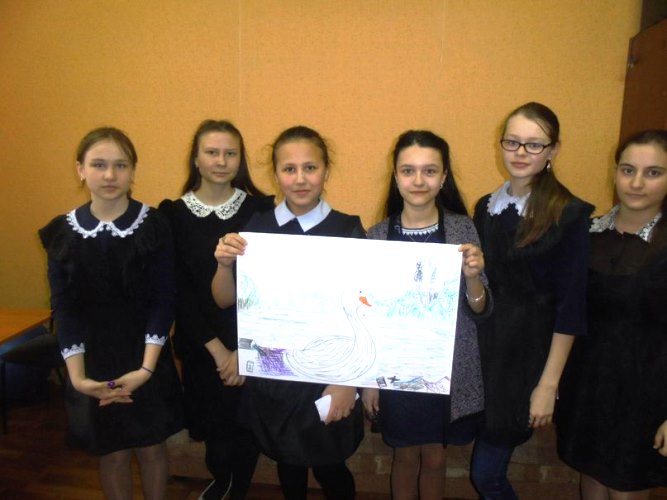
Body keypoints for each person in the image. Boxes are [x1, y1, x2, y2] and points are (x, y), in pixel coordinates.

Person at [211, 125, 365, 499]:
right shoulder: (257, 229)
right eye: (289, 169)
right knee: (288, 461)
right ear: (276, 173)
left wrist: (348, 382)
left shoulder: (348, 229)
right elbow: (226, 300)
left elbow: (363, 314)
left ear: (326, 170)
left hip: (329, 374)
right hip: (276, 377)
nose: (300, 179)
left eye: (310, 168)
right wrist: (223, 265)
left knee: (331, 465)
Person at [39, 127, 183, 500]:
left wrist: (145, 370)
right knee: (112, 453)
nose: (109, 175)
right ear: (80, 170)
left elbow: (164, 299)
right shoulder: (62, 233)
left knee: (152, 449)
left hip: (146, 355)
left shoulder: (155, 224)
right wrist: (79, 379)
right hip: (93, 361)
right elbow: (65, 308)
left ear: (133, 171)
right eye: (98, 164)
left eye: (120, 165)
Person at [470, 102, 594, 498]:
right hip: (487, 348)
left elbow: (571, 307)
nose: (521, 153)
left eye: (534, 144)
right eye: (513, 142)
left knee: (486, 474)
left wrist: (548, 384)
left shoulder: (569, 214)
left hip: (528, 354)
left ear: (553, 150)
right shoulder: (486, 207)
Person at [361, 130, 490, 500]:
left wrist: (473, 277)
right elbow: (367, 314)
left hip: (446, 369)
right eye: (408, 171)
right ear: (396, 176)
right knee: (403, 456)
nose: (418, 180)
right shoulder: (377, 236)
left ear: (444, 177)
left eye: (429, 171)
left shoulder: (462, 228)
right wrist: (369, 381)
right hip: (395, 371)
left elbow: (480, 308)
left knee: (435, 457)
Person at [158, 120, 274, 500]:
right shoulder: (172, 214)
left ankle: (236, 488)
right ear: (196, 158)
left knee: (247, 428)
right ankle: (223, 480)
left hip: (252, 341)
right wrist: (219, 350)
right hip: (201, 343)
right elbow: (178, 291)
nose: (221, 161)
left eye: (230, 153)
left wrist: (243, 348)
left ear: (240, 160)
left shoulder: (261, 209)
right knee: (216, 434)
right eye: (212, 152)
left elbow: (268, 286)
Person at [556, 129, 667, 498]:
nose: (636, 183)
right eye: (627, 170)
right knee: (590, 482)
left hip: (646, 399)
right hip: (588, 389)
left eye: (653, 173)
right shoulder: (587, 234)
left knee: (625, 488)